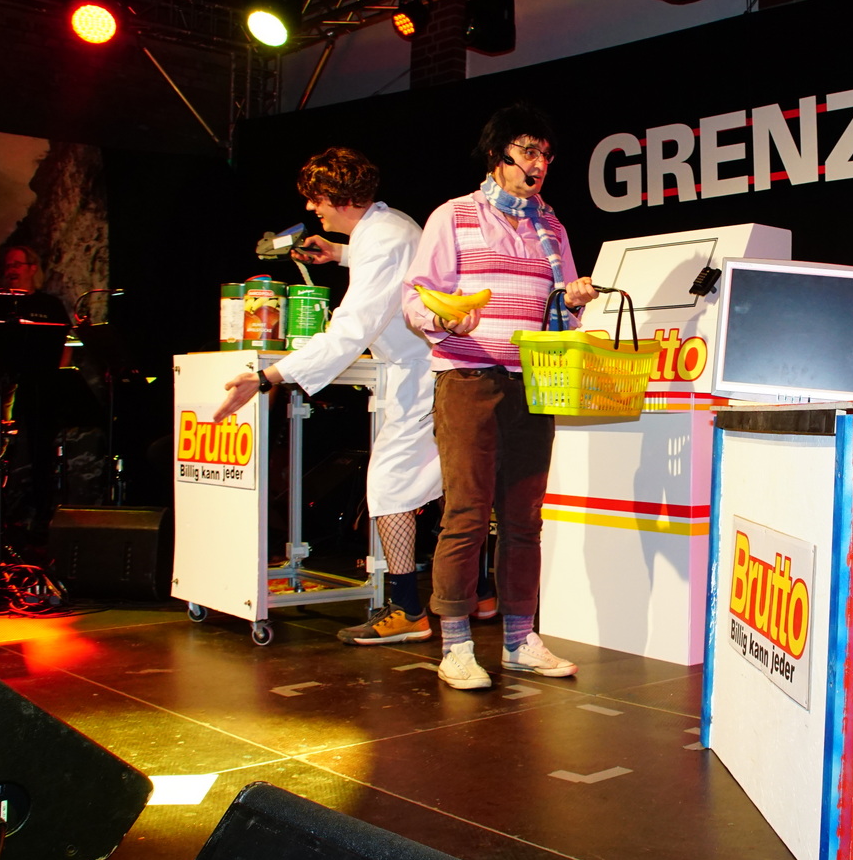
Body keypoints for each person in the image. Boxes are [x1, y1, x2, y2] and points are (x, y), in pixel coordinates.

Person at [401, 102, 597, 691]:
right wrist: (445, 320)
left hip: (534, 381)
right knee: (466, 513)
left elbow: (558, 310)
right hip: (469, 379)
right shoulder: (454, 216)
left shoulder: (551, 228)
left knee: (523, 519)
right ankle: (456, 645)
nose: (538, 164)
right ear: (497, 156)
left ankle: (519, 639)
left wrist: (574, 300)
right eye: (527, 152)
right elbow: (416, 298)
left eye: (546, 155)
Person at [214, 147, 442, 644]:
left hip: (421, 377)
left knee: (391, 489)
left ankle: (409, 610)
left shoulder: (383, 238)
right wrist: (338, 254)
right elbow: (387, 265)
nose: (311, 208)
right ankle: (472, 597)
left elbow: (350, 331)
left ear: (339, 197)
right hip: (421, 374)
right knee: (436, 489)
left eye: (316, 199)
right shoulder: (389, 226)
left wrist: (269, 377)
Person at [0, 245, 72, 325]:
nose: (11, 270)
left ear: (33, 268)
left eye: (17, 265)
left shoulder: (51, 304)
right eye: (8, 266)